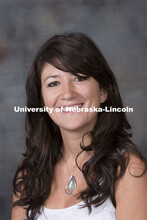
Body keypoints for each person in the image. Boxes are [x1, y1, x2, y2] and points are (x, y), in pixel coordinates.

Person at [11, 32, 147, 220]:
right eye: (54, 83)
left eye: (79, 78)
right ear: (42, 100)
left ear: (103, 91)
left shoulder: (128, 170)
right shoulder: (29, 173)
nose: (67, 93)